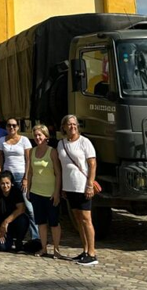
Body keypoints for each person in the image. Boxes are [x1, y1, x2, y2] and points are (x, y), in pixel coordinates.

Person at [57, 114, 98, 266]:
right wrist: (62, 187)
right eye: (69, 124)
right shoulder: (61, 144)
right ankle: (85, 250)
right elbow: (61, 167)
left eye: (75, 124)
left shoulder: (84, 142)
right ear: (64, 127)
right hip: (70, 186)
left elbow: (92, 164)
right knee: (78, 220)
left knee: (87, 219)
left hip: (82, 186)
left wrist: (90, 184)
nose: (72, 127)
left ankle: (92, 253)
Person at [0, 118, 39, 245]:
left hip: (21, 175)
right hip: (7, 177)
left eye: (14, 125)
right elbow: (0, 158)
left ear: (18, 127)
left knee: (29, 207)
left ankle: (35, 236)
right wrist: (0, 174)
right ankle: (6, 233)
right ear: (6, 127)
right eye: (9, 125)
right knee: (8, 205)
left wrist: (26, 178)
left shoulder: (24, 140)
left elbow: (28, 159)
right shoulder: (2, 140)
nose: (12, 127)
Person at [28, 124, 64, 258]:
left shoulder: (52, 151)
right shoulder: (32, 151)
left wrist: (56, 192)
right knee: (41, 222)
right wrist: (29, 188)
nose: (37, 137)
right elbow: (30, 172)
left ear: (46, 136)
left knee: (54, 222)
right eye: (35, 135)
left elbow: (58, 173)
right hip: (36, 191)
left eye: (40, 135)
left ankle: (56, 249)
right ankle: (43, 248)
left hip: (50, 193)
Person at [0, 171, 28, 253]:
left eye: (7, 183)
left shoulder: (16, 191)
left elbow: (21, 208)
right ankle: (7, 239)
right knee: (2, 247)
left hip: (13, 222)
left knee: (24, 219)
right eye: (2, 183)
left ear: (11, 183)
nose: (5, 186)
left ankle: (19, 241)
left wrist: (6, 222)